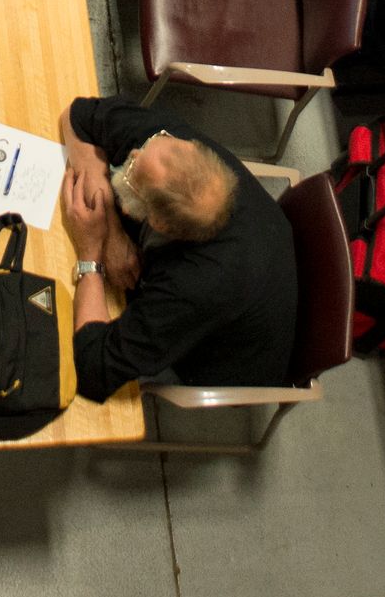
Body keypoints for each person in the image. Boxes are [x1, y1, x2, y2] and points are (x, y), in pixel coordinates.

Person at [58, 94, 300, 400]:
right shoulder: (172, 149)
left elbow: (93, 370)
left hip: (225, 361)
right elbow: (77, 116)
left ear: (160, 224)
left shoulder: (196, 285)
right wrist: (111, 229)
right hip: (242, 278)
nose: (132, 152)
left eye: (131, 172)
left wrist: (91, 253)